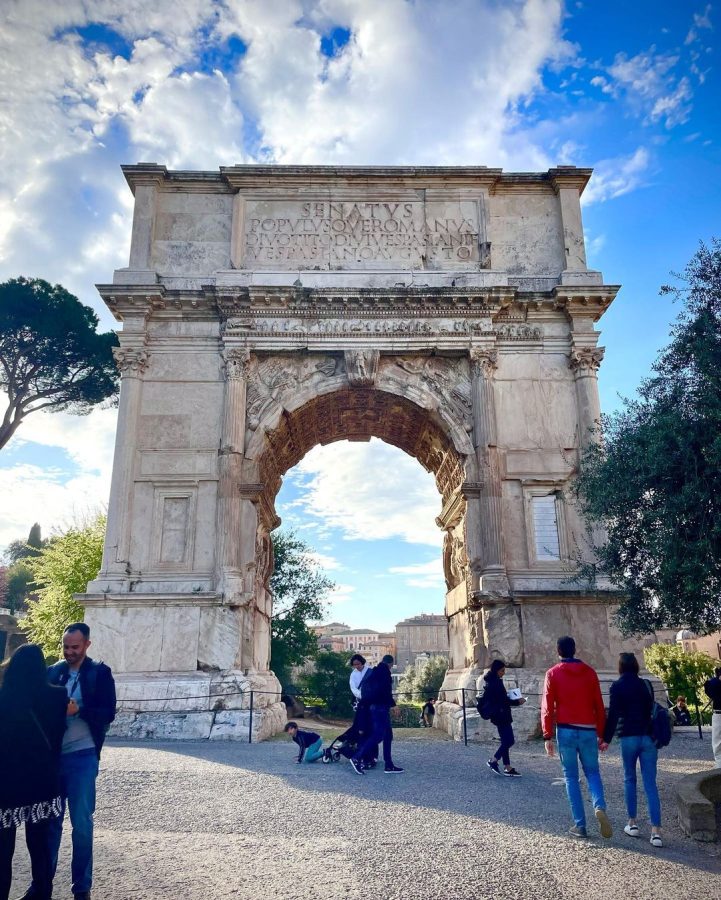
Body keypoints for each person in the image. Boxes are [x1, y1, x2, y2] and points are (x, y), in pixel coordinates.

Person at [22, 623, 116, 900]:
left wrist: (80, 709)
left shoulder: (100, 673)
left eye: (75, 647)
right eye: (66, 647)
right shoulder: (53, 672)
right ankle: (42, 886)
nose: (70, 652)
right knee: (50, 823)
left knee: (82, 824)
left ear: (87, 644)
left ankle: (82, 888)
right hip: (54, 757)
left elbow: (108, 713)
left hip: (83, 755)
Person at [0, 645, 67, 900]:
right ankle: (43, 893)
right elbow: (57, 740)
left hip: (6, 785)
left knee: (3, 852)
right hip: (41, 783)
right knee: (39, 848)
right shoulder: (58, 697)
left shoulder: (3, 698)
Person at [541, 635, 612, 840]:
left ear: (558, 651)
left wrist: (547, 736)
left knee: (571, 777)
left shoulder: (553, 673)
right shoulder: (589, 672)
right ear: (575, 649)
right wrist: (602, 733)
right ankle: (599, 805)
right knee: (593, 773)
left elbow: (548, 706)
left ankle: (580, 825)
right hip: (588, 729)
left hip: (565, 730)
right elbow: (599, 705)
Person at [603, 653, 663, 848]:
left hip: (628, 737)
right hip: (648, 737)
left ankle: (632, 823)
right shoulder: (646, 684)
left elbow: (612, 715)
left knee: (629, 779)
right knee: (650, 784)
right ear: (636, 665)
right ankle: (656, 832)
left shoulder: (617, 686)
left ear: (620, 666)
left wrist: (605, 739)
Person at [350, 655, 403, 775]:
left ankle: (389, 765)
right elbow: (386, 691)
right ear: (390, 664)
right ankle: (357, 757)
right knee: (379, 735)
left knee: (388, 735)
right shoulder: (385, 673)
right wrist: (393, 705)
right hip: (380, 708)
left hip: (373, 707)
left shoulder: (374, 672)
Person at [480, 659, 525, 777]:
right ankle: (494, 760)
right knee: (509, 740)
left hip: (498, 715)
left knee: (505, 740)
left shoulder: (492, 681)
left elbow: (500, 699)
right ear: (496, 670)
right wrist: (518, 702)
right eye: (502, 670)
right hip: (502, 715)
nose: (503, 672)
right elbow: (503, 701)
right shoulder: (496, 683)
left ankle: (507, 767)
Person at [348, 655, 377, 767]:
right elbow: (353, 688)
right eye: (354, 664)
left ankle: (372, 756)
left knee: (371, 728)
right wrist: (361, 695)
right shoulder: (353, 674)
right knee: (361, 727)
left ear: (362, 663)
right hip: (360, 702)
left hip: (370, 702)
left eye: (358, 664)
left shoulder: (370, 672)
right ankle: (363, 755)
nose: (356, 666)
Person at [704, 666, 721, 767]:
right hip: (718, 714)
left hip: (718, 714)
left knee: (717, 744)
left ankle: (719, 768)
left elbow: (707, 686)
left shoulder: (715, 684)